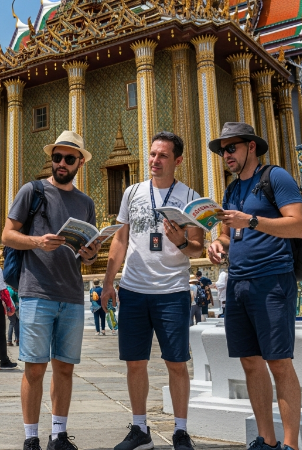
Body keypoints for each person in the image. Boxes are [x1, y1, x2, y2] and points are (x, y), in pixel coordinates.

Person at [207, 122, 302, 450]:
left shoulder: (275, 177)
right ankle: (267, 440)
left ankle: (291, 445)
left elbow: (298, 226)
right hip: (238, 282)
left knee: (279, 362)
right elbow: (228, 234)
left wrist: (250, 220)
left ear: (251, 146)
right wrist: (218, 244)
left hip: (272, 279)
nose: (226, 155)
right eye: (223, 150)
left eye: (231, 148)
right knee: (250, 361)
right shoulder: (232, 189)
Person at [101, 131, 202, 450]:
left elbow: (197, 247)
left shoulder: (190, 197)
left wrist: (181, 242)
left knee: (176, 363)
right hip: (133, 289)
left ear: (177, 160)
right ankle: (140, 429)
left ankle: (181, 431)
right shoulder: (133, 192)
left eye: (163, 156)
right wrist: (108, 282)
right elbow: (120, 239)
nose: (155, 160)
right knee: (135, 362)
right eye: (152, 154)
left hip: (172, 291)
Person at [2, 130, 102, 450]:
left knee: (65, 369)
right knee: (34, 369)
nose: (61, 163)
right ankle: (31, 437)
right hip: (36, 291)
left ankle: (58, 435)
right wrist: (37, 242)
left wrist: (90, 254)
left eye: (68, 159)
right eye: (57, 157)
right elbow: (7, 235)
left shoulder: (85, 203)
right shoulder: (32, 191)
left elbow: (88, 255)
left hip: (71, 294)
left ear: (79, 163)